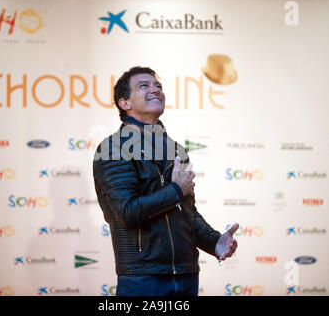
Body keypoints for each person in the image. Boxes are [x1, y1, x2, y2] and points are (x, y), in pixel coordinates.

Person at [93, 66, 239, 296]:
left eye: (158, 86)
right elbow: (128, 212)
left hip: (186, 275)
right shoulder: (113, 148)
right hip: (142, 277)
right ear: (125, 103)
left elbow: (187, 213)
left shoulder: (176, 149)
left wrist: (214, 242)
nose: (155, 90)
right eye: (144, 85)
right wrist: (175, 191)